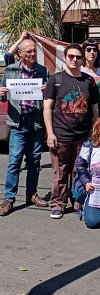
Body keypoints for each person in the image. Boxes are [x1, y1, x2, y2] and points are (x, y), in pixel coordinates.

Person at [44, 44, 100, 219]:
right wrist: (50, 134)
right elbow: (47, 108)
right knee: (60, 172)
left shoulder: (88, 81)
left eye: (78, 57)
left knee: (79, 171)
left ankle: (78, 200)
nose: (74, 60)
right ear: (65, 58)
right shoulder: (55, 79)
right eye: (71, 57)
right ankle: (58, 204)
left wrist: (94, 131)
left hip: (83, 136)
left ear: (83, 59)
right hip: (60, 135)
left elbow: (95, 109)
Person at [0, 38, 50, 216]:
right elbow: (3, 97)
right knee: (14, 161)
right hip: (18, 122)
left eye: (34, 51)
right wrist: (2, 94)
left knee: (35, 161)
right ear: (19, 53)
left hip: (36, 122)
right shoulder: (11, 71)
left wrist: (47, 91)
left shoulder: (43, 71)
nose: (33, 54)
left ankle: (31, 194)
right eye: (29, 51)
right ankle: (9, 199)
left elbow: (50, 98)